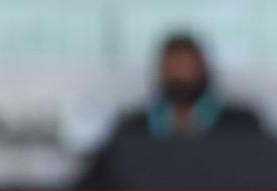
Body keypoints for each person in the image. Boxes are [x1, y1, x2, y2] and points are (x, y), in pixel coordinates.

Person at [107, 32, 263, 141]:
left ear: (204, 70)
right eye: (172, 69)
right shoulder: (133, 129)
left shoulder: (240, 126)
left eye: (187, 68)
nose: (179, 77)